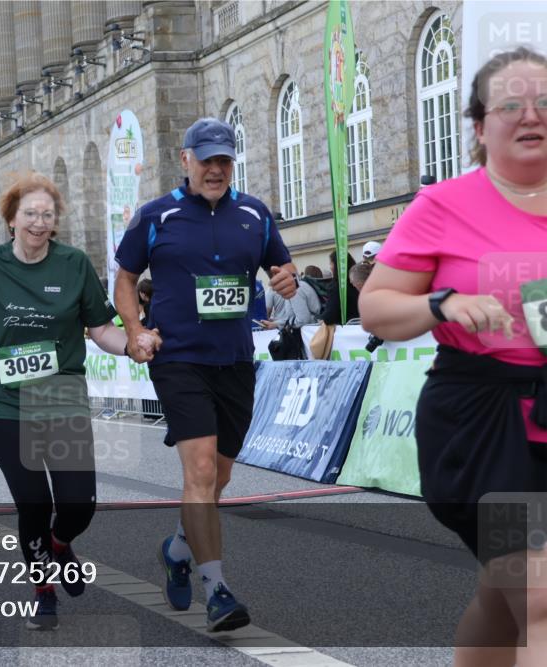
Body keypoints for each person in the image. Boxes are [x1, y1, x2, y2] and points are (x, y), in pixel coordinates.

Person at [362, 47, 547, 667]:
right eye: (511, 105)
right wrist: (442, 303)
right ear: (479, 125)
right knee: (539, 597)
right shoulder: (444, 205)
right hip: (483, 427)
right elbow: (376, 309)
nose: (531, 115)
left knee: (506, 597)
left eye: (545, 103)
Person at [0, 173, 160, 631]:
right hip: (6, 405)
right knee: (32, 500)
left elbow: (99, 329)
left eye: (47, 214)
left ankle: (60, 543)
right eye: (29, 213)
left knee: (78, 505)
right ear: (11, 219)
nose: (38, 222)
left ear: (55, 221)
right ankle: (43, 589)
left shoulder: (73, 264)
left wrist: (131, 344)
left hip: (61, 398)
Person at [114, 117, 298, 632]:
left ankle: (177, 549)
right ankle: (216, 589)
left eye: (224, 160)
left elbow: (282, 267)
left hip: (234, 359)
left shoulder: (254, 213)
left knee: (219, 476)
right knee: (198, 471)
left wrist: (287, 278)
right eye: (207, 159)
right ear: (186, 159)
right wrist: (135, 330)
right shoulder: (155, 216)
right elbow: (125, 279)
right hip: (178, 358)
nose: (216, 169)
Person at [261, 262, 322, 329]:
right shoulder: (298, 286)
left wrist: (286, 325)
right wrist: (275, 324)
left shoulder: (296, 288)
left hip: (307, 331)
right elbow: (292, 317)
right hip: (310, 329)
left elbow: (302, 320)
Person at [320, 250, 359, 324]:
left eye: (331, 264)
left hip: (345, 328)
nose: (330, 267)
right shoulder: (357, 282)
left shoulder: (336, 287)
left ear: (336, 265)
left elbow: (329, 316)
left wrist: (322, 319)